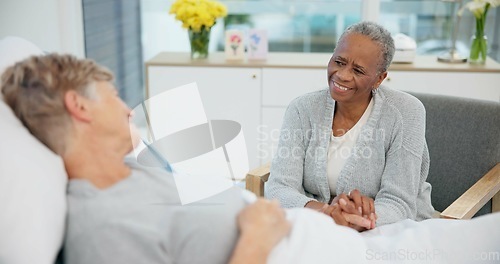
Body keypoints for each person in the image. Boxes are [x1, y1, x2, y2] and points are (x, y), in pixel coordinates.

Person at [3, 53, 500, 264]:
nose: (126, 105)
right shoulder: (100, 224)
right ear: (79, 105)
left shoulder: (140, 169)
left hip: (343, 244)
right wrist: (258, 236)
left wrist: (328, 216)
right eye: (112, 94)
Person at [265, 21, 434, 230]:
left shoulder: (406, 113)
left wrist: (356, 221)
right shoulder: (302, 109)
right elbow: (279, 187)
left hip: (387, 229)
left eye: (358, 70)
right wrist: (327, 213)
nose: (343, 75)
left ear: (379, 79)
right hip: (317, 225)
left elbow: (399, 203)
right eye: (339, 61)